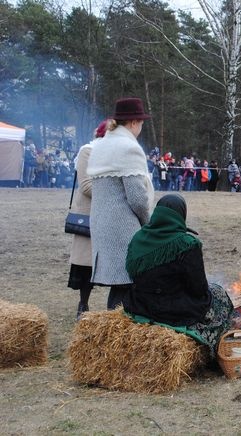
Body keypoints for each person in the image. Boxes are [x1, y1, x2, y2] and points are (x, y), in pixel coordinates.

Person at [123, 194, 235, 352]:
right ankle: (215, 347)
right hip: (173, 311)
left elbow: (132, 274)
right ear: (181, 214)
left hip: (140, 305)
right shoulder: (187, 244)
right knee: (219, 295)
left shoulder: (138, 238)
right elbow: (199, 289)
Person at [86, 97, 154, 310]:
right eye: (141, 123)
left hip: (101, 224)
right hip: (123, 229)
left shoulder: (100, 144)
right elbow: (137, 198)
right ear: (133, 122)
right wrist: (148, 224)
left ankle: (112, 333)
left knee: (119, 287)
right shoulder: (128, 147)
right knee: (127, 287)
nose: (141, 127)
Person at [67, 120, 107, 320]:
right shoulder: (87, 151)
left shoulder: (114, 156)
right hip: (89, 215)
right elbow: (86, 186)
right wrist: (114, 193)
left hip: (108, 216)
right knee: (86, 264)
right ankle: (83, 304)